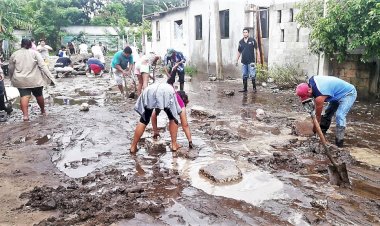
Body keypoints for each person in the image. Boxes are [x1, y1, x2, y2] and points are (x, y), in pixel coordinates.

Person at [296, 75, 357, 147]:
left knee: (340, 115)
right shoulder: (311, 82)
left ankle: (339, 142)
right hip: (336, 93)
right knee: (328, 112)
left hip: (348, 93)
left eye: (307, 95)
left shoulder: (320, 96)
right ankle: (322, 132)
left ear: (309, 90)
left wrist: (314, 130)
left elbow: (317, 117)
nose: (309, 97)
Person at [9, 39, 54, 121]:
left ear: (21, 45)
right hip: (35, 79)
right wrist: (51, 78)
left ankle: (25, 116)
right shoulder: (35, 53)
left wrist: (11, 78)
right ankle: (43, 111)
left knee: (24, 96)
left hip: (20, 80)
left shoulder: (14, 54)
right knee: (39, 95)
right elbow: (43, 66)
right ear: (30, 44)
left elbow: (11, 68)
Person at [130, 82, 183, 153]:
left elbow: (153, 114)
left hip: (149, 91)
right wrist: (155, 131)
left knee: (143, 120)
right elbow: (175, 117)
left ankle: (133, 146)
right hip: (166, 92)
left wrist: (155, 131)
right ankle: (174, 145)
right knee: (173, 118)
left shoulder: (160, 88)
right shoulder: (173, 92)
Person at [235, 28, 257, 93]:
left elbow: (257, 49)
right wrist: (236, 60)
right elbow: (239, 51)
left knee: (252, 75)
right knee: (244, 75)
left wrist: (258, 59)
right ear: (243, 33)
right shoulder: (241, 42)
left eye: (246, 32)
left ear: (248, 33)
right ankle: (245, 89)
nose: (245, 33)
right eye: (244, 32)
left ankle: (254, 88)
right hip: (244, 61)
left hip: (251, 61)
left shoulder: (252, 40)